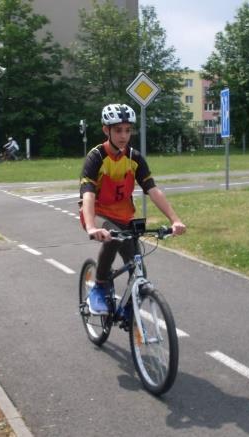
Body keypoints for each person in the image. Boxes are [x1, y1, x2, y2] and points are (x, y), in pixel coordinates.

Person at [79, 103, 186, 315]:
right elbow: (88, 193)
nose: (124, 136)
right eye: (118, 130)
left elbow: (152, 190)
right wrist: (92, 227)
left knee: (138, 269)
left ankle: (130, 310)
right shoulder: (97, 157)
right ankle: (99, 287)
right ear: (106, 130)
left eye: (128, 130)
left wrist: (175, 220)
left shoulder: (134, 158)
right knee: (113, 237)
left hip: (124, 216)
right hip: (97, 214)